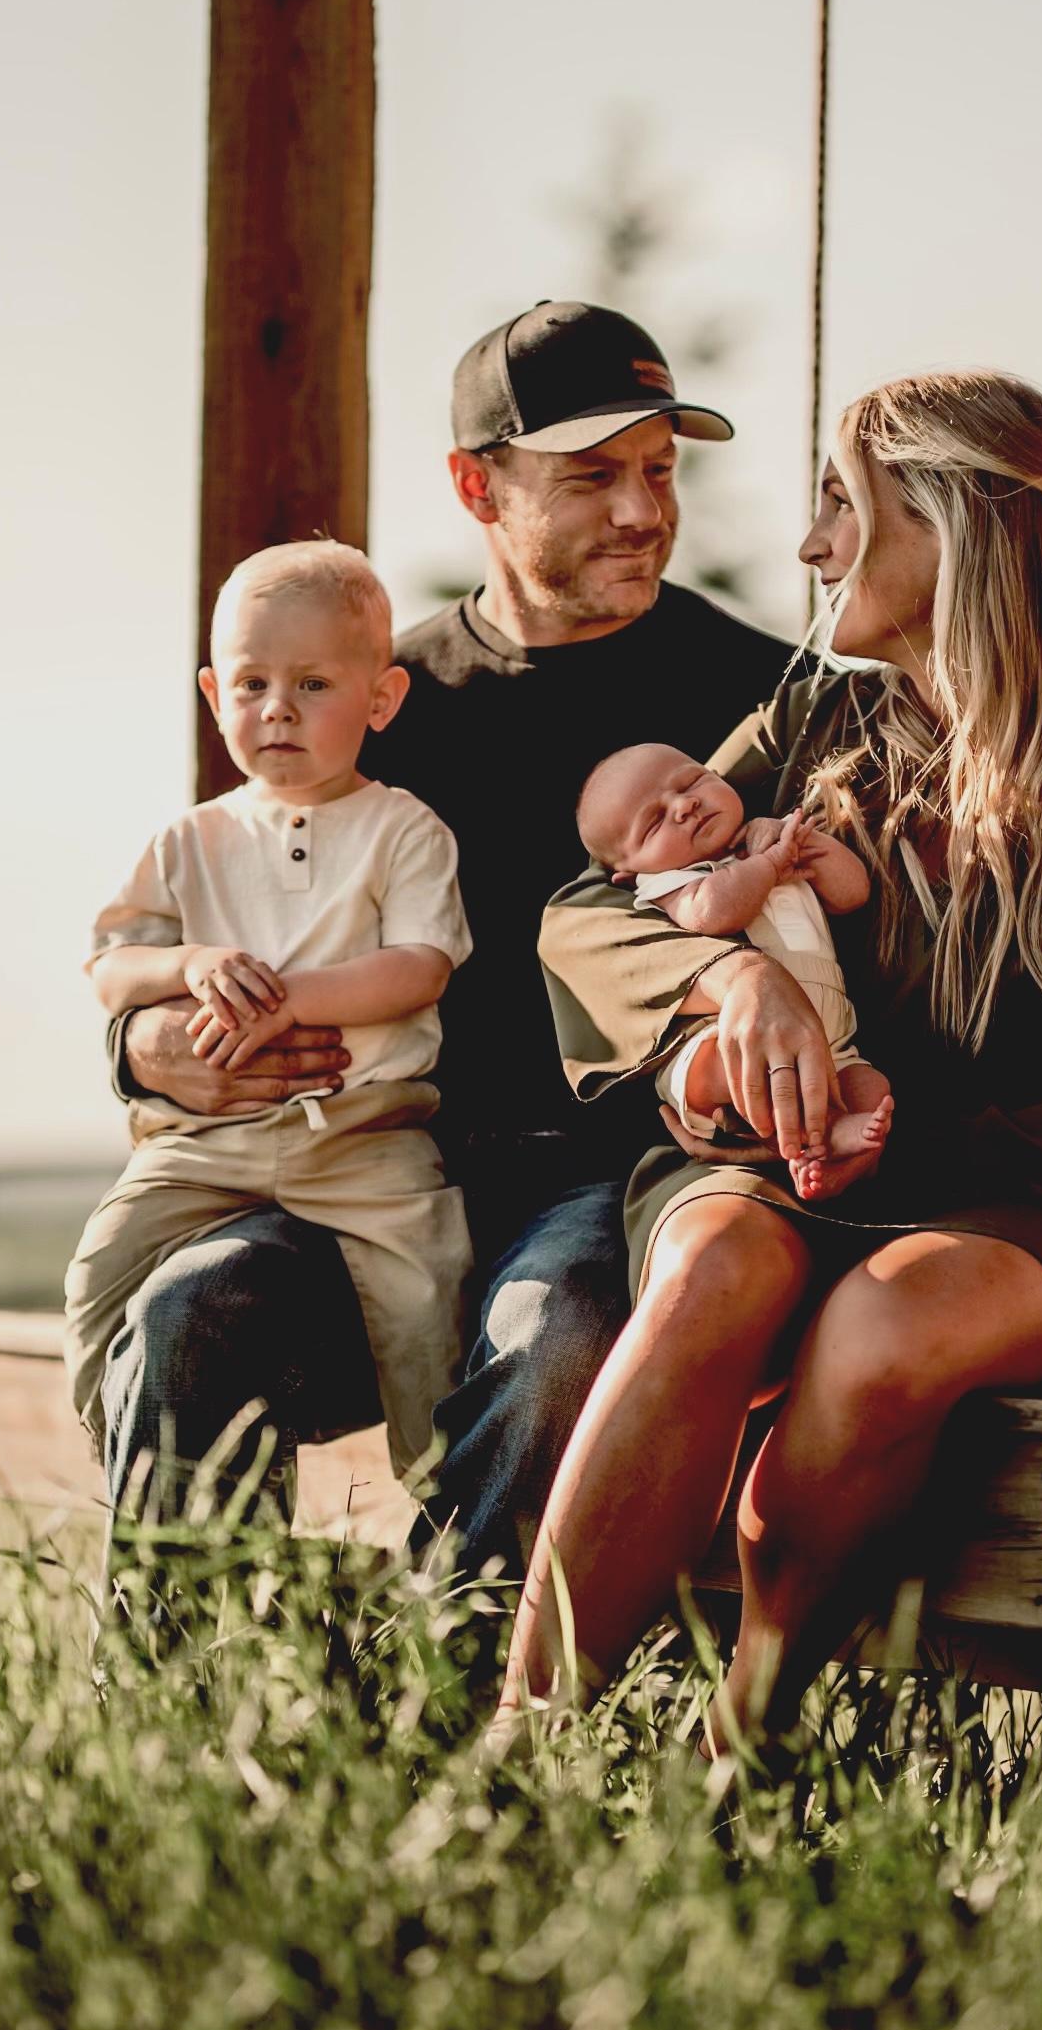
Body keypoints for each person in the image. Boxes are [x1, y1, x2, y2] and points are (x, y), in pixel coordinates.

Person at [505, 369, 1042, 1744]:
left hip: (1039, 1217)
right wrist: (733, 984)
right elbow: (593, 914)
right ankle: (528, 1745)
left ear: (952, 527)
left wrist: (901, 1122)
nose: (812, 542)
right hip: (783, 1170)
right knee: (716, 1262)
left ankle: (751, 1742)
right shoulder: (813, 730)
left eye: (844, 501)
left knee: (887, 1323)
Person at [100, 302, 790, 1566]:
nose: (640, 511)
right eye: (589, 477)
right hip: (367, 1156)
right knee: (186, 1310)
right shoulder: (371, 699)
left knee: (552, 1342)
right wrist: (149, 1049)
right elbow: (201, 924)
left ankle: (442, 1713)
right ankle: (184, 1724)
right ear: (476, 483)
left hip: (617, 1178)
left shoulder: (760, 699)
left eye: (657, 470)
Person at [65, 542, 470, 1494]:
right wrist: (191, 964)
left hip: (365, 1136)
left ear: (381, 700)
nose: (276, 708)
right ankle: (111, 1448)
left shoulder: (403, 828)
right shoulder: (189, 839)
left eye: (313, 683)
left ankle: (443, 1500)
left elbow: (421, 965)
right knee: (100, 1272)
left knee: (428, 1293)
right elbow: (109, 965)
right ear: (214, 695)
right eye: (250, 683)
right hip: (201, 1140)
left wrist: (291, 998)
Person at [574, 742, 895, 1198]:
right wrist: (769, 864)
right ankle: (816, 1136)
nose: (684, 805)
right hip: (729, 1043)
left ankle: (833, 1162)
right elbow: (714, 913)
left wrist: (807, 845)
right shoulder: (672, 885)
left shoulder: (773, 838)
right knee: (743, 1073)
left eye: (691, 782)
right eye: (655, 822)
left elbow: (852, 893)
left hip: (831, 1044)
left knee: (870, 1086)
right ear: (628, 874)